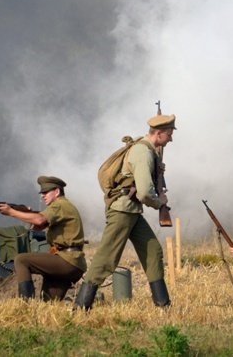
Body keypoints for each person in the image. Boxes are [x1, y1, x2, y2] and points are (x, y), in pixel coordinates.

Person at [74, 114, 176, 310]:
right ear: (159, 133)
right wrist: (159, 202)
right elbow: (145, 192)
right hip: (122, 211)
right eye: (169, 134)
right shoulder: (142, 151)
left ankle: (163, 306)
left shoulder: (147, 151)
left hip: (132, 211)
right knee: (106, 258)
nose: (171, 139)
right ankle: (81, 306)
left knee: (153, 251)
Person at [0, 176, 87, 301]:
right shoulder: (63, 207)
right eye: (41, 193)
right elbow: (38, 226)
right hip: (73, 263)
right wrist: (27, 214)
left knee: (21, 260)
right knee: (48, 305)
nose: (43, 196)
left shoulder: (59, 205)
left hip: (68, 260)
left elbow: (39, 220)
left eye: (46, 192)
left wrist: (11, 212)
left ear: (57, 192)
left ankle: (25, 304)